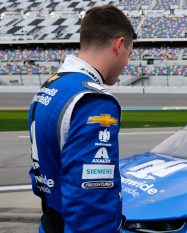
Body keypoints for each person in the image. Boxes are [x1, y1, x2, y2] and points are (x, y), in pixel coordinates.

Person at [28, 5, 136, 233]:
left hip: (50, 220)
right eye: (129, 53)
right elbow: (92, 198)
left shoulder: (51, 86)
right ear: (119, 45)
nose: (127, 63)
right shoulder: (94, 101)